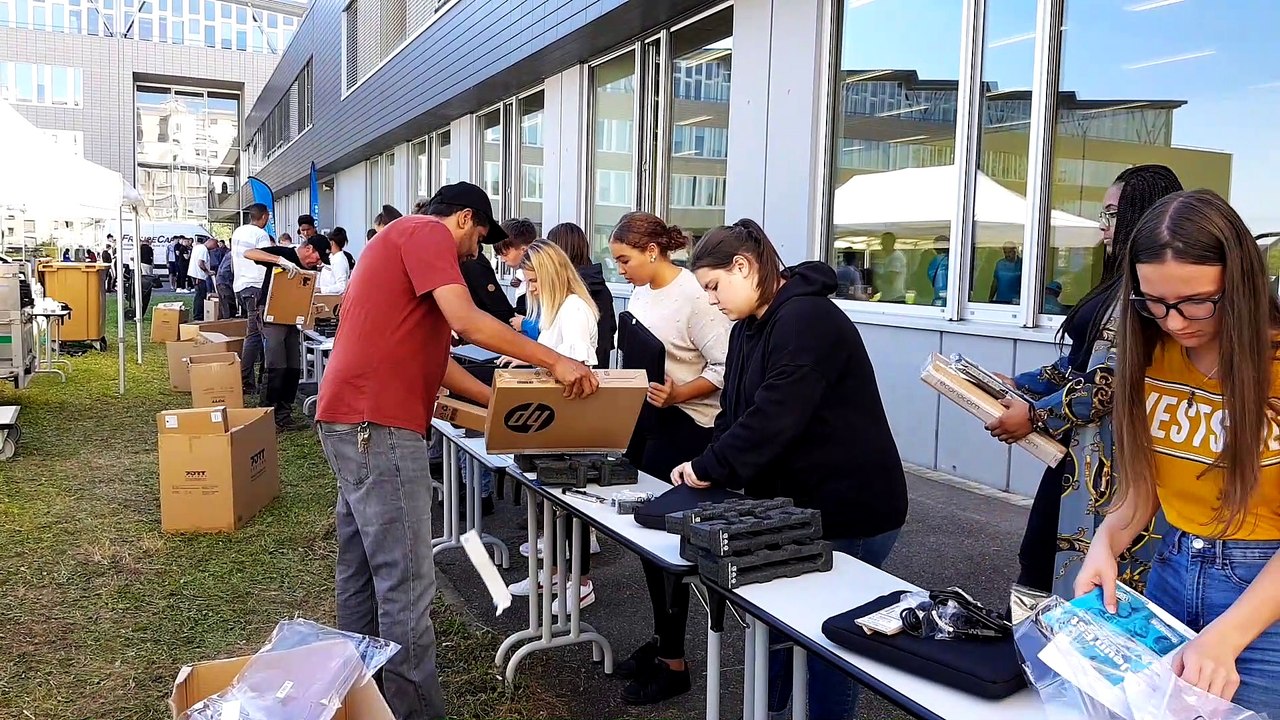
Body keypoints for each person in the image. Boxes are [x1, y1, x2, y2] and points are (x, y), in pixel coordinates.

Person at [314, 181, 597, 720]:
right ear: (464, 218)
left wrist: (494, 402)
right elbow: (468, 321)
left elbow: (439, 360)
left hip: (349, 419)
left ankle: (358, 696)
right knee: (406, 585)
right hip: (380, 424)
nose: (478, 252)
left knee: (360, 572)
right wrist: (555, 362)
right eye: (481, 238)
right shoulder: (424, 233)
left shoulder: (394, 247)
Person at [674, 218, 908, 720]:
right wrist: (709, 465)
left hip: (849, 509)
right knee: (779, 629)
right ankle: (774, 712)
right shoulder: (748, 330)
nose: (712, 300)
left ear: (745, 266)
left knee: (829, 642)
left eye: (714, 287)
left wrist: (709, 465)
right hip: (798, 506)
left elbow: (775, 415)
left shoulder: (807, 321)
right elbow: (736, 414)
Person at [1074, 189, 1280, 717]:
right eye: (1154, 302)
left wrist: (1228, 635)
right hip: (1171, 566)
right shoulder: (1152, 353)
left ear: (1241, 284)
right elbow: (1143, 486)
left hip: (1264, 595)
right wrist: (1107, 541)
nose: (1174, 322)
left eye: (1195, 302)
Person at [987, 164, 1184, 597]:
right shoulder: (1118, 281)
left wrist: (1036, 416)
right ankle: (1029, 655)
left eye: (1112, 213)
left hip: (1111, 464)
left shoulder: (1149, 293)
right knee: (1039, 557)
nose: (1103, 225)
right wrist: (1019, 383)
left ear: (1140, 213)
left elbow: (1111, 382)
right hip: (1077, 452)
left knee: (1076, 571)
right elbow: (1081, 361)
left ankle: (1043, 658)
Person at [609, 211, 731, 705]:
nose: (619, 269)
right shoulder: (641, 291)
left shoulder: (696, 299)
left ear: (652, 252)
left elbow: (727, 366)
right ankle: (663, 642)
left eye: (624, 259)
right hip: (647, 423)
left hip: (685, 431)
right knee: (643, 542)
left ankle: (674, 663)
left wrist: (681, 392)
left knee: (667, 547)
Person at [502, 241, 602, 607]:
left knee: (570, 508)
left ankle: (581, 581)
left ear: (551, 275)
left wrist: (536, 368)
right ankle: (557, 575)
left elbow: (577, 370)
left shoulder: (574, 310)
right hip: (554, 421)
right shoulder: (555, 308)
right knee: (551, 506)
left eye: (533, 281)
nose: (530, 288)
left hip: (568, 424)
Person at [243, 235, 330, 431]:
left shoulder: (310, 267)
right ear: (309, 248)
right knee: (276, 365)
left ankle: (284, 414)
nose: (316, 263)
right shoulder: (285, 253)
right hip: (271, 314)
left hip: (292, 318)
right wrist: (280, 261)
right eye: (317, 258)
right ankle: (266, 414)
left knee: (292, 365)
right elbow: (248, 253)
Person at [546, 221, 617, 369]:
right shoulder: (599, 286)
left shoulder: (574, 298)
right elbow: (610, 333)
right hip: (599, 370)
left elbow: (574, 360)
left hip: (579, 377)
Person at [232, 204, 274, 394]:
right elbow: (268, 259)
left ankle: (250, 379)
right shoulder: (261, 235)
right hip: (257, 286)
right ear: (264, 217)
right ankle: (245, 380)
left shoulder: (239, 231)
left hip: (241, 286)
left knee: (255, 333)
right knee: (257, 334)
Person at [871, 232, 906, 302]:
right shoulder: (890, 257)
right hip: (888, 297)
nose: (881, 244)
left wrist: (875, 274)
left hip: (894, 299)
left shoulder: (895, 257)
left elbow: (890, 279)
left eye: (883, 242)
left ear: (889, 242)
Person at [189, 236, 216, 321]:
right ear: (211, 243)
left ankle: (198, 314)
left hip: (194, 273)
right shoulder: (204, 250)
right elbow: (200, 263)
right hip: (199, 276)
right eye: (214, 247)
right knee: (200, 295)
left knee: (199, 294)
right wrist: (208, 272)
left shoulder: (197, 247)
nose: (213, 249)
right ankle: (198, 315)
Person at [319, 228, 352, 295]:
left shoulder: (339, 260)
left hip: (333, 300)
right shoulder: (332, 257)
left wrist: (322, 290)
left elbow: (342, 286)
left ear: (331, 243)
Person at [215, 236, 238, 319]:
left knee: (226, 305)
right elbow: (225, 271)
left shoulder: (231, 254)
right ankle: (227, 324)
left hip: (223, 281)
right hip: (224, 282)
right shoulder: (233, 255)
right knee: (228, 305)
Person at [926, 240, 949, 306]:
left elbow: (930, 275)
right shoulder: (952, 260)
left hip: (937, 295)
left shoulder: (933, 261)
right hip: (951, 296)